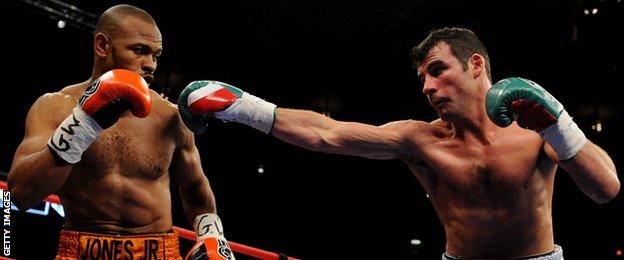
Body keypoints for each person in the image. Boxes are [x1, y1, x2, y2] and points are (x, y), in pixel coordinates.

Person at [178, 27, 619, 259]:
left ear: (476, 64)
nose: (427, 86)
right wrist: (244, 106)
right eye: (422, 77)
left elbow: (606, 189)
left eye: (437, 69)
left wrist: (558, 125)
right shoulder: (420, 139)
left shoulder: (533, 129)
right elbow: (325, 133)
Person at [8, 4, 234, 260]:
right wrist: (82, 125)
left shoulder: (170, 116)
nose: (150, 64)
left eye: (156, 55)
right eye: (140, 50)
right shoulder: (54, 107)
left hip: (157, 251)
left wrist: (211, 235)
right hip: (83, 250)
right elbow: (20, 195)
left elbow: (194, 185)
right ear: (103, 46)